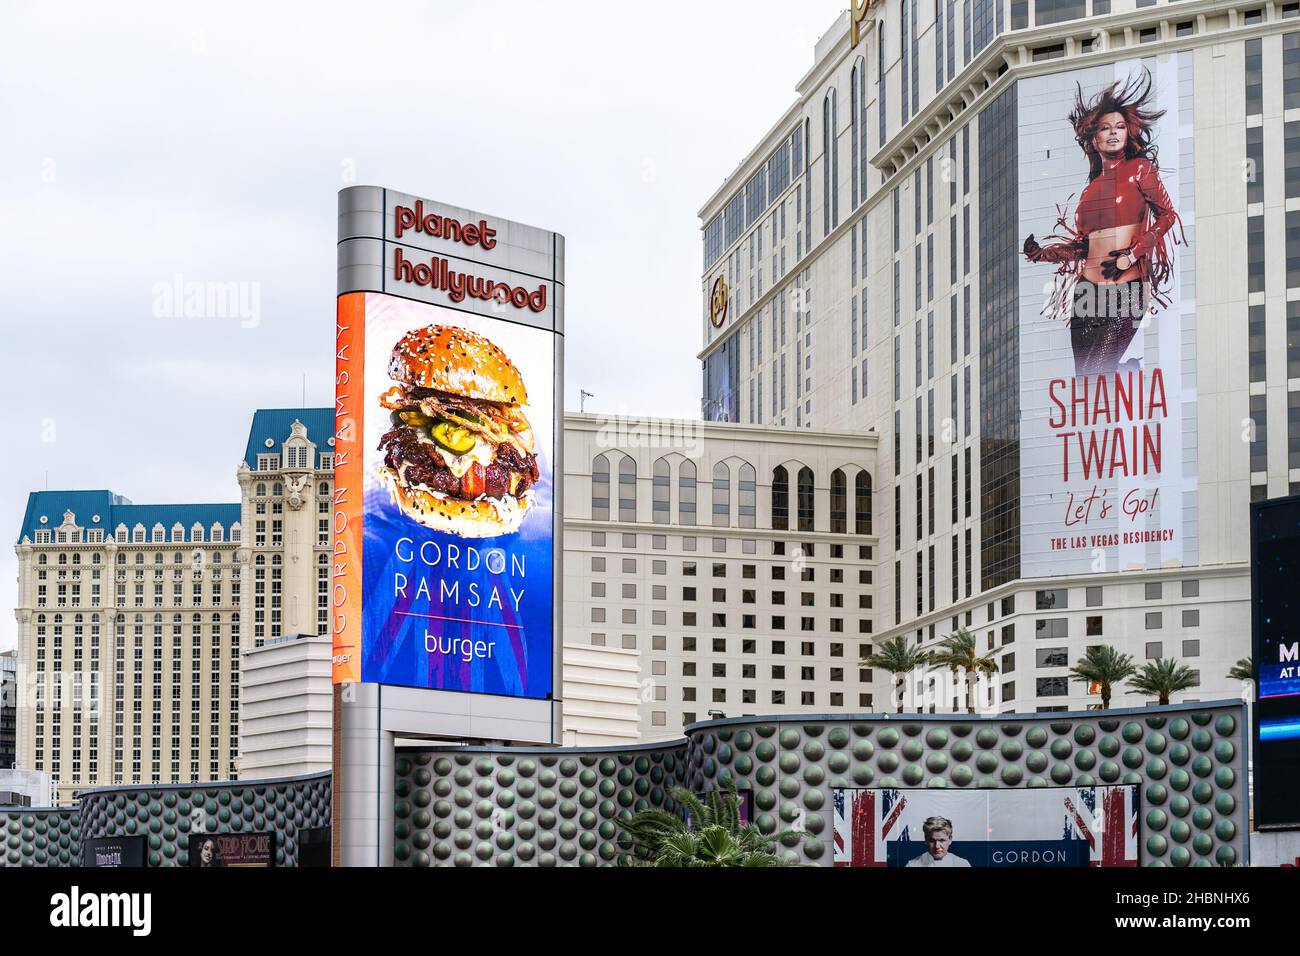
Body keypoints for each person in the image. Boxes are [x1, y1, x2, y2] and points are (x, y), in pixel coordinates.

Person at [1023, 70, 1183, 377]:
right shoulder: (1090, 189)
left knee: (1098, 370)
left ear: (1128, 133)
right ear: (1093, 138)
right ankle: (1126, 373)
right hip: (1087, 292)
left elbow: (1168, 216)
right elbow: (1084, 246)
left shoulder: (1140, 169)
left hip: (1127, 288)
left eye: (1119, 127)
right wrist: (1041, 254)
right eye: (1105, 128)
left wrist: (1131, 255)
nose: (1113, 133)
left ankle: (1126, 372)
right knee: (1086, 382)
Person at [905, 816, 970, 867]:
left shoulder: (962, 864)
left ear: (950, 840)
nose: (937, 846)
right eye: (932, 841)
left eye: (942, 840)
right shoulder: (912, 865)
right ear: (926, 840)